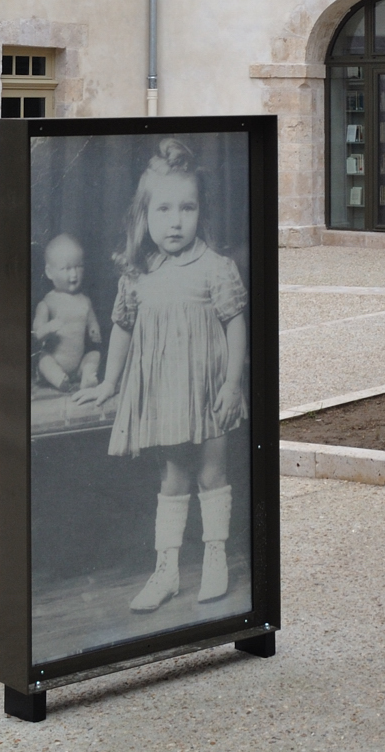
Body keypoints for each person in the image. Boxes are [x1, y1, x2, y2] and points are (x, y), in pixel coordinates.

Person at [77, 139, 248, 611]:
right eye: (164, 209)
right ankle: (167, 571)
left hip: (212, 391)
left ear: (200, 212)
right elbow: (122, 328)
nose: (176, 221)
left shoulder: (217, 268)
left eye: (187, 208)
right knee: (173, 479)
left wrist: (232, 386)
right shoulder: (136, 275)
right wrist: (109, 383)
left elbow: (236, 326)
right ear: (144, 216)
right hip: (165, 394)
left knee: (213, 474)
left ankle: (216, 558)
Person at [30, 234, 101, 392]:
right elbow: (36, 334)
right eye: (66, 269)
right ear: (49, 272)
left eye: (78, 266)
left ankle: (87, 377)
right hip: (54, 361)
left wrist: (94, 330)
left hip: (77, 364)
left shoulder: (85, 301)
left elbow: (92, 322)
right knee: (43, 361)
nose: (74, 275)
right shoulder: (47, 302)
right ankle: (59, 380)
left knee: (94, 355)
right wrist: (48, 328)